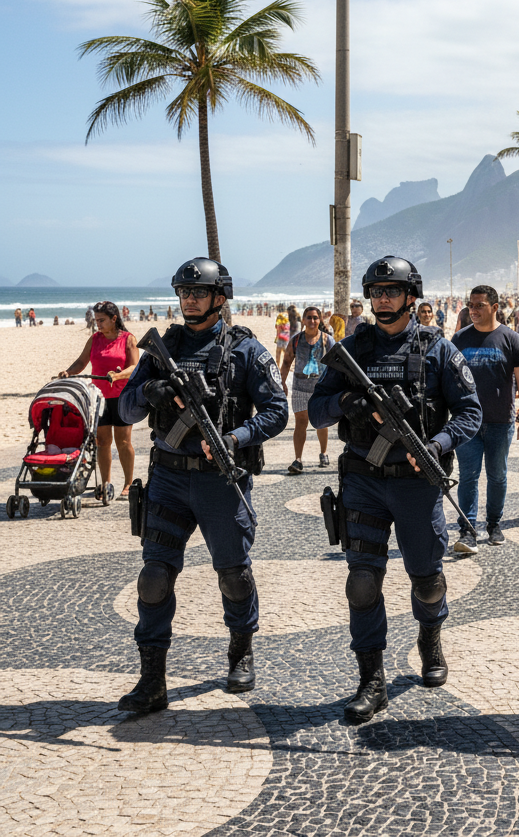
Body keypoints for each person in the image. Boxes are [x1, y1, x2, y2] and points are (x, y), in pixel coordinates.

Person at [307, 255, 482, 723]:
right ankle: (371, 679)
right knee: (363, 583)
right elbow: (317, 410)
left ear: (411, 296)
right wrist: (349, 402)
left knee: (426, 580)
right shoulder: (351, 349)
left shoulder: (438, 350)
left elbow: (470, 412)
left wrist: (436, 442)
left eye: (392, 290)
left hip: (416, 483)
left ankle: (430, 637)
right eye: (376, 290)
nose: (383, 298)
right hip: (363, 478)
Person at [116, 258, 288, 713]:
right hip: (169, 477)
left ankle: (241, 651)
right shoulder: (160, 349)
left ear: (220, 297)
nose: (189, 299)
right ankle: (152, 680)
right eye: (183, 292)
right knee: (154, 578)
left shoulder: (245, 351)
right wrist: (147, 392)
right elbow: (127, 411)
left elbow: (277, 411)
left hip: (218, 482)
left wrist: (235, 438)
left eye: (198, 292)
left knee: (234, 574)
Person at [451, 285, 519, 551]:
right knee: (468, 476)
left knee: (497, 476)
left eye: (479, 305)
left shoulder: (511, 339)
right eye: (470, 305)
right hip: (467, 422)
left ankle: (494, 524)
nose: (473, 310)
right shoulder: (459, 339)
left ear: (495, 307)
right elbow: (447, 380)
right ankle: (467, 529)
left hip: (501, 421)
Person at [59, 300, 139, 501]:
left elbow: (134, 368)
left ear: (114, 319)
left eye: (102, 320)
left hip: (121, 398)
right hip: (99, 398)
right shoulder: (95, 339)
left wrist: (118, 376)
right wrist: (68, 372)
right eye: (96, 320)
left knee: (123, 441)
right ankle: (105, 483)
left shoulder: (128, 339)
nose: (98, 324)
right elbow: (81, 362)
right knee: (102, 442)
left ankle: (128, 483)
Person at [280, 306, 335, 473]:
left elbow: (337, 363)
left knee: (321, 422)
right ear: (303, 320)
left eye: (315, 318)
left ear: (320, 320)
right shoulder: (296, 340)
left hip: (321, 388)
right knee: (301, 423)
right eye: (309, 318)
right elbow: (286, 363)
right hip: (300, 387)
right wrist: (282, 384)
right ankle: (298, 460)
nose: (312, 321)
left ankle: (323, 453)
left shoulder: (327, 339)